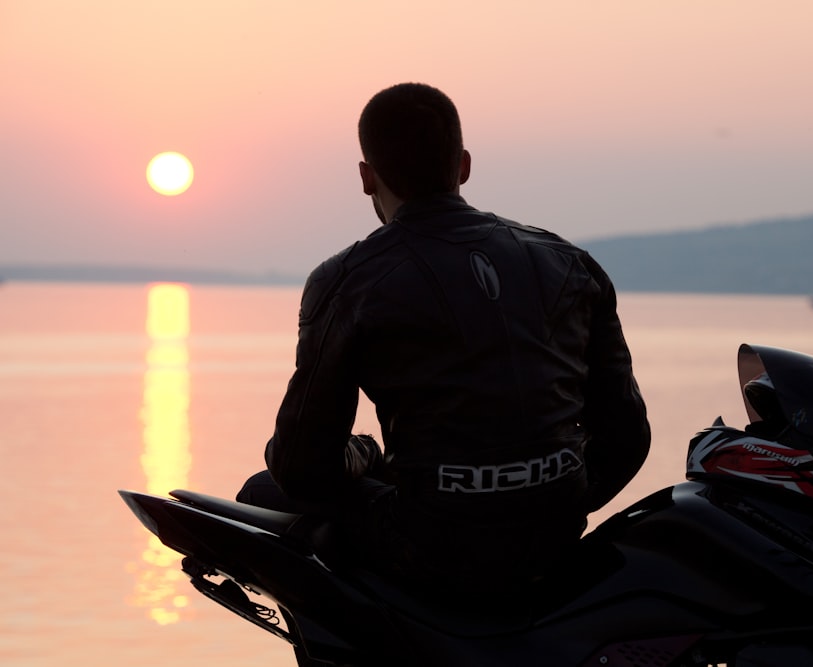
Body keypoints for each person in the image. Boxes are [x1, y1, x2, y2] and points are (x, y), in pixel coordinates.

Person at [238, 82, 650, 598]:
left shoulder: (347, 281)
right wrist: (546, 502)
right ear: (463, 165)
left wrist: (365, 453)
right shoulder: (568, 262)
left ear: (367, 178)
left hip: (430, 545)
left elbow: (302, 469)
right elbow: (628, 439)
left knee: (261, 491)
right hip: (555, 533)